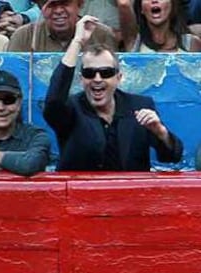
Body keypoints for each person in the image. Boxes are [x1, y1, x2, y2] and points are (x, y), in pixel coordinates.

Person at [43, 16, 183, 171]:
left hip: (129, 193)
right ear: (81, 79)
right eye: (89, 73)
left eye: (106, 72)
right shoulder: (71, 109)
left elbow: (172, 157)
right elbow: (53, 100)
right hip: (82, 193)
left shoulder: (140, 106)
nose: (97, 79)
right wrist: (77, 42)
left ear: (118, 78)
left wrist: (160, 132)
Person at [7, 0, 117, 52]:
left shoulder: (101, 35)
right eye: (51, 5)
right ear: (41, 8)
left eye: (64, 3)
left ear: (79, 5)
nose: (58, 10)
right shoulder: (23, 37)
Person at [117, 0, 201, 51]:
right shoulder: (134, 41)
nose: (154, 0)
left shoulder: (191, 43)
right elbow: (123, 3)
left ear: (172, 5)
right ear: (141, 9)